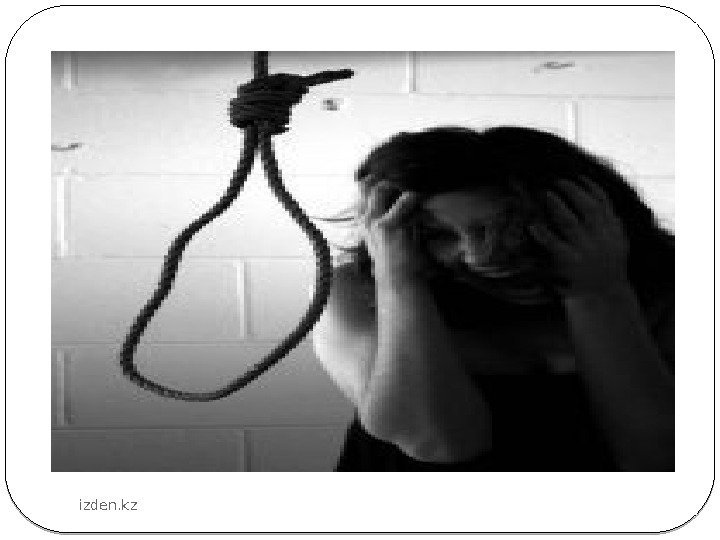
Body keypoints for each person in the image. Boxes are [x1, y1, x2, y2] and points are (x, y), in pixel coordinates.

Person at [230, 79, 675, 472]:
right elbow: (438, 444)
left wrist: (599, 291)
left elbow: (658, 457)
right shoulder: (355, 291)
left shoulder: (678, 286)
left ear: (590, 217)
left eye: (507, 228)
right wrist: (400, 283)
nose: (480, 258)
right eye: (437, 235)